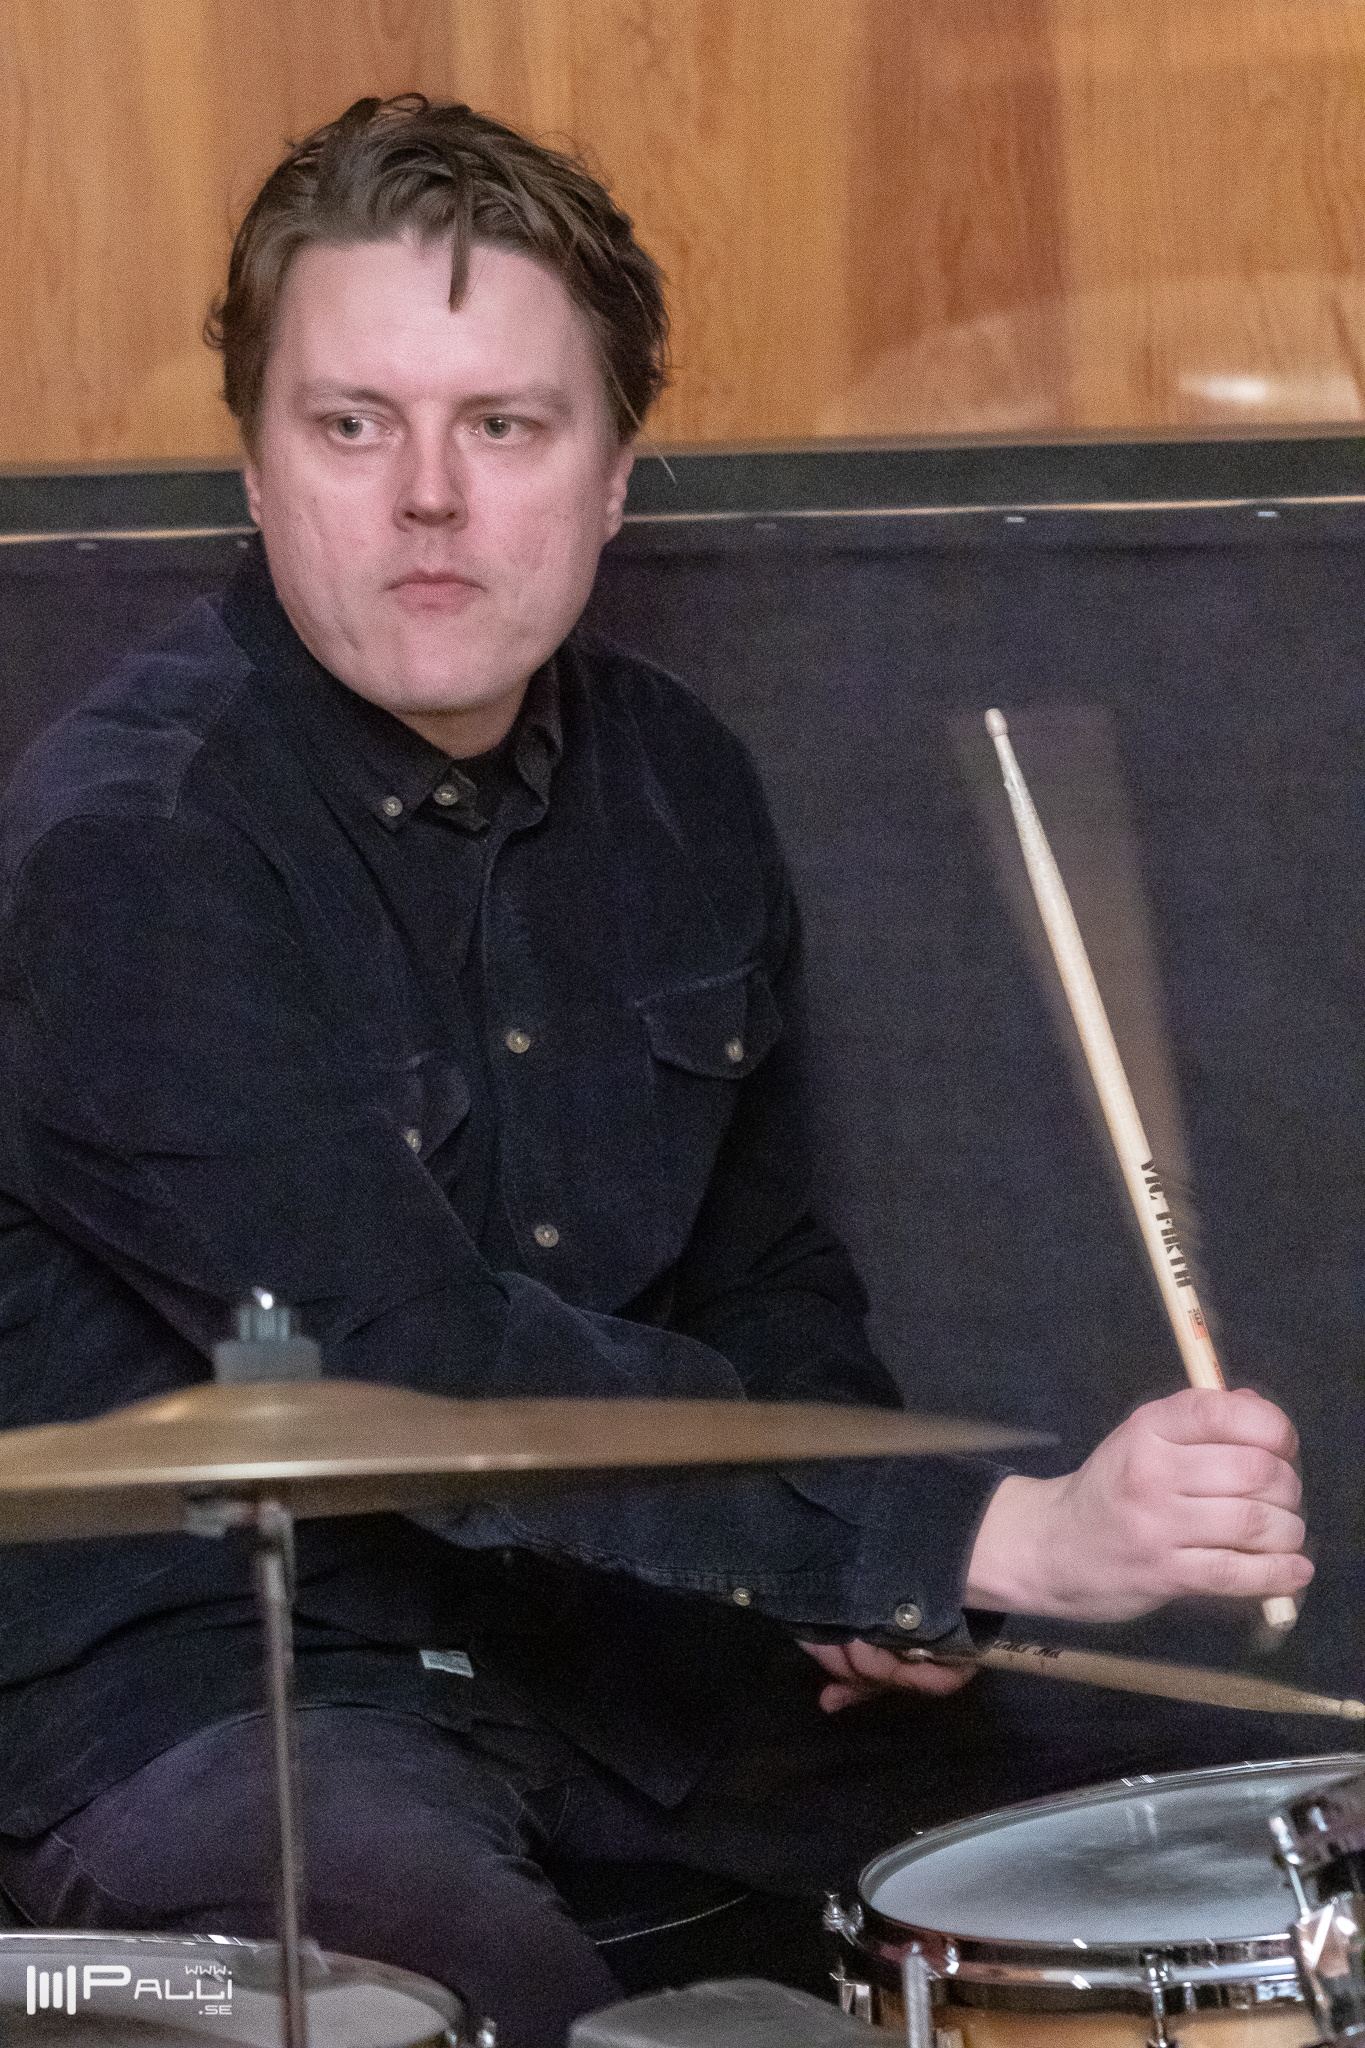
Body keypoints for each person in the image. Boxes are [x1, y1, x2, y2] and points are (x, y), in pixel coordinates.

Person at [0, 96, 1319, 2046]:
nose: (426, 496)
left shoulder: (675, 782)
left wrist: (871, 1599)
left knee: (1241, 1870)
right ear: (258, 470)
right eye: (352, 424)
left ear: (613, 474)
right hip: (232, 1693)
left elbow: (757, 1275)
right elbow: (413, 1372)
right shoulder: (129, 849)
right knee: (470, 1994)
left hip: (628, 1657)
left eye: (503, 426)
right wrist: (985, 1535)